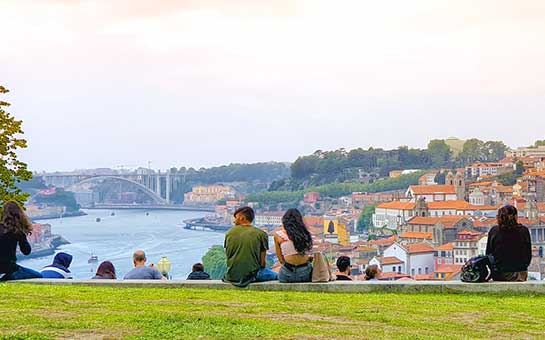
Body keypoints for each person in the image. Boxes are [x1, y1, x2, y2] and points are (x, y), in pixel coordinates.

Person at [223, 206, 277, 287]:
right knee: (278, 276)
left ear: (242, 218)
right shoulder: (261, 234)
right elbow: (262, 263)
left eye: (236, 218)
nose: (234, 221)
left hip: (232, 276)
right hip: (252, 276)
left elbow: (228, 256)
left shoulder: (229, 233)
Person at [486, 205, 532, 282]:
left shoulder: (494, 231)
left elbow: (489, 253)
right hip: (519, 274)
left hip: (499, 274)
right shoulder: (523, 231)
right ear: (515, 216)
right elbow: (528, 255)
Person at [0, 201, 43, 281]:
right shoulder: (17, 231)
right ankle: (8, 277)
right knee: (38, 275)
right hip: (9, 268)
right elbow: (26, 251)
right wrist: (23, 235)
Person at [274, 208, 313, 283]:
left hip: (287, 273)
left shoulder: (278, 235)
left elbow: (281, 260)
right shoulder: (305, 235)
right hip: (305, 273)